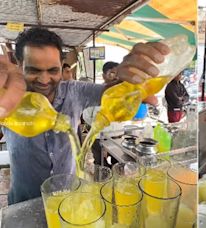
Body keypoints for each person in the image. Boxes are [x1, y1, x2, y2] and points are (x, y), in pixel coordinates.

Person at [4, 27, 170, 204]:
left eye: (53, 71)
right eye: (34, 70)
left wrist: (129, 80)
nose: (44, 80)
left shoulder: (74, 91)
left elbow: (111, 91)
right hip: (24, 202)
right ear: (19, 65)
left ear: (62, 66)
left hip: (69, 197)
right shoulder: (7, 97)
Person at [83, 61, 159, 167]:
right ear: (104, 75)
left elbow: (151, 101)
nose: (115, 77)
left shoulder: (124, 93)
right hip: (99, 138)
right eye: (112, 73)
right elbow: (86, 115)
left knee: (119, 164)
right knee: (101, 166)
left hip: (118, 137)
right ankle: (101, 182)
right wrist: (102, 124)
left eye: (118, 74)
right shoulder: (96, 93)